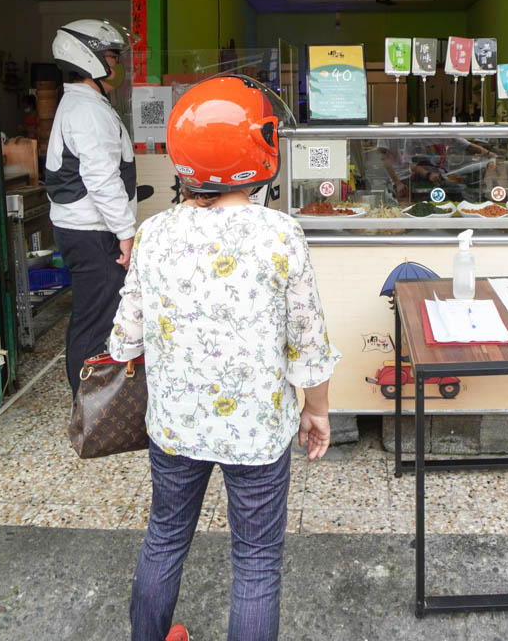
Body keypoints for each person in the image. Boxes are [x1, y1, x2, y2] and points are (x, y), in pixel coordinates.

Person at [109, 74, 339, 641]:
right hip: (257, 433)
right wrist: (317, 410)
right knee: (256, 562)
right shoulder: (281, 234)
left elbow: (123, 340)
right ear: (261, 149)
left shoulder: (154, 233)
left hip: (175, 427)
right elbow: (308, 342)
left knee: (164, 538)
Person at [46, 18, 138, 395]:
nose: (117, 65)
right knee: (95, 321)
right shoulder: (87, 110)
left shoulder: (85, 103)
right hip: (93, 233)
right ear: (89, 59)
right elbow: (101, 179)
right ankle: (89, 407)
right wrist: (127, 234)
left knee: (93, 316)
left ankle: (92, 400)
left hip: (85, 228)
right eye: (112, 56)